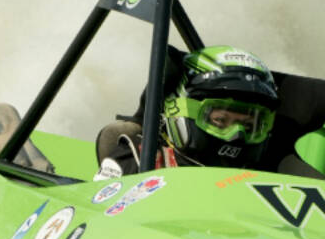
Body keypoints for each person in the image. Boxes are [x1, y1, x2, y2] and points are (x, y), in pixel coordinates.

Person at [96, 45, 280, 178]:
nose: (236, 135)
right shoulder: (139, 158)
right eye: (221, 120)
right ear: (179, 108)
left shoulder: (265, 182)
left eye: (249, 126)